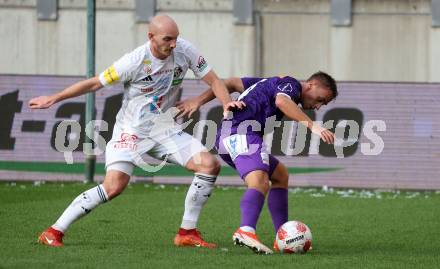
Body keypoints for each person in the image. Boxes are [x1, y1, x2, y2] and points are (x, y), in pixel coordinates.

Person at [30, 14, 243, 248]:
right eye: (167, 39)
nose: (173, 44)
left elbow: (214, 80)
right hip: (131, 132)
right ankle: (53, 231)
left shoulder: (184, 50)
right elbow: (94, 83)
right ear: (151, 37)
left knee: (209, 165)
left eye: (176, 38)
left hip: (164, 130)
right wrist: (55, 98)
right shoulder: (133, 61)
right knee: (114, 186)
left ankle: (187, 233)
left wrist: (224, 103)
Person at [177, 71, 337, 254]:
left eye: (322, 104)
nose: (318, 106)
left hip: (231, 137)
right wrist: (313, 126)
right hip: (240, 133)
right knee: (259, 181)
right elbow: (282, 102)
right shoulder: (291, 85)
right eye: (320, 99)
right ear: (311, 85)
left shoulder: (269, 83)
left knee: (280, 175)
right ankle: (246, 230)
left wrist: (198, 100)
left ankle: (283, 236)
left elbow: (229, 82)